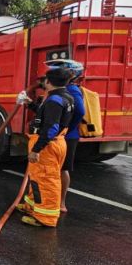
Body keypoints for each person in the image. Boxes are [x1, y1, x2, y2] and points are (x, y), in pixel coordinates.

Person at [16, 68, 74, 227]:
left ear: (49, 82)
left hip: (48, 144)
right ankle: (32, 206)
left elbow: (51, 127)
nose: (43, 83)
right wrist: (30, 104)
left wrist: (37, 149)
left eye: (45, 80)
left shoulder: (54, 100)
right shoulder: (64, 97)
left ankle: (45, 218)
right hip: (55, 142)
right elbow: (46, 117)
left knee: (46, 180)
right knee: (36, 177)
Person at [45, 59, 85, 213]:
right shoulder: (59, 90)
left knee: (62, 169)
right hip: (60, 135)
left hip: (66, 137)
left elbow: (80, 112)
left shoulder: (72, 90)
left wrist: (66, 127)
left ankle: (61, 203)